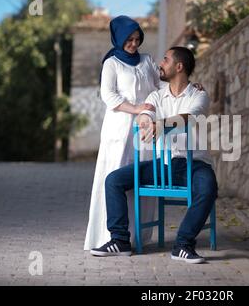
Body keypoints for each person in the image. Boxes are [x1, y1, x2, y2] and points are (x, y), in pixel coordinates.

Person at [90, 47, 218, 264]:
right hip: (165, 165)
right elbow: (146, 113)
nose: (161, 63)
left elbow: (191, 116)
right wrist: (145, 120)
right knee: (113, 180)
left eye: (166, 60)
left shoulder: (199, 95)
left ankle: (183, 245)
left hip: (195, 164)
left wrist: (163, 124)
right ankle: (120, 241)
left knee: (208, 188)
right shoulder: (156, 96)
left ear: (179, 67)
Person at [83, 15, 160, 251]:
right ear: (118, 37)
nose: (134, 44)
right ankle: (111, 236)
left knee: (142, 180)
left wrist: (190, 85)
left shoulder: (147, 60)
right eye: (129, 39)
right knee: (115, 177)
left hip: (145, 130)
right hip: (119, 129)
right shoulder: (112, 63)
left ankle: (138, 238)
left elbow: (161, 87)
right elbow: (109, 96)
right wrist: (136, 108)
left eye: (138, 39)